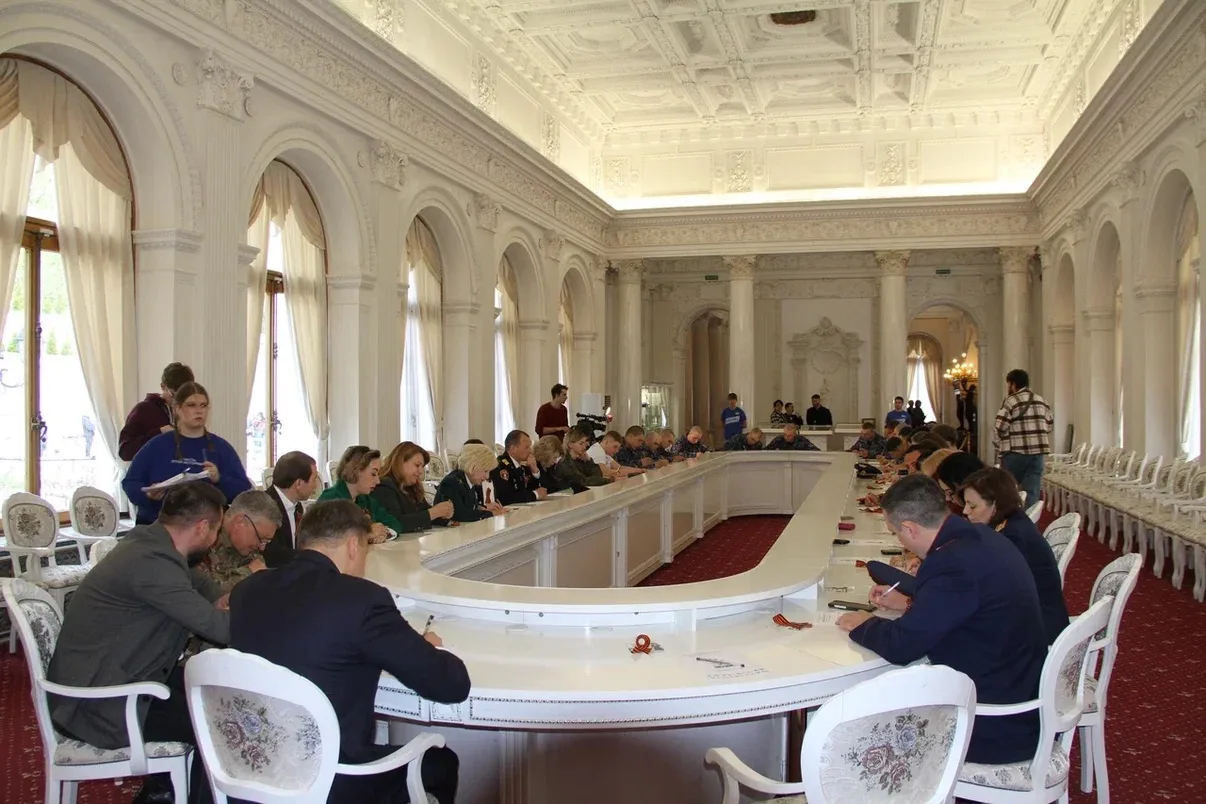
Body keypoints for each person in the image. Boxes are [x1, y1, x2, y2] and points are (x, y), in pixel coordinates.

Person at [229, 500, 470, 804]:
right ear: (354, 545)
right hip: (332, 781)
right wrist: (426, 647)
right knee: (441, 762)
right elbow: (451, 685)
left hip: (249, 772)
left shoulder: (247, 591)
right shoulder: (362, 600)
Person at [837, 474, 1047, 765]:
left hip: (992, 722)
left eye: (896, 533)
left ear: (909, 528)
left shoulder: (950, 563)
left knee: (861, 728)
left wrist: (864, 624)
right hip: (1018, 691)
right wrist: (910, 604)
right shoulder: (982, 536)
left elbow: (901, 646)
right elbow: (963, 607)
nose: (899, 540)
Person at [47, 483, 229, 804]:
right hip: (100, 705)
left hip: (118, 678)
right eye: (217, 531)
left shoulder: (152, 545)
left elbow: (207, 589)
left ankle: (163, 790)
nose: (216, 539)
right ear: (203, 528)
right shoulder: (153, 563)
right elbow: (216, 627)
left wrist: (239, 596)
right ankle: (169, 793)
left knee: (213, 694)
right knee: (218, 726)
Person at [960, 468, 1069, 646]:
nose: (965, 511)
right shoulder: (1011, 521)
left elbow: (990, 589)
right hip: (1028, 617)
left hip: (1036, 631)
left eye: (972, 506)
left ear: (995, 505)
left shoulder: (1014, 536)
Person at [122, 381, 252, 525]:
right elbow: (130, 483)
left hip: (204, 529)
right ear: (177, 409)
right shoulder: (156, 445)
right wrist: (147, 495)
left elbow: (243, 490)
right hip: (157, 525)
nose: (199, 411)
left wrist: (219, 478)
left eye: (203, 405)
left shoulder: (221, 448)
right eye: (191, 405)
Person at [195, 489, 282, 593]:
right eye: (261, 538)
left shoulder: (248, 548)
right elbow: (205, 593)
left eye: (266, 541)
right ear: (240, 521)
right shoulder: (202, 542)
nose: (262, 547)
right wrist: (248, 572)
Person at [994, 369, 1053, 507]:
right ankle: (1029, 517)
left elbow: (1000, 426)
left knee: (1009, 488)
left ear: (1013, 384)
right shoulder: (1041, 400)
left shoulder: (1011, 401)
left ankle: (1010, 516)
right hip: (1037, 452)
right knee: (1032, 490)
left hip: (1015, 452)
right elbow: (1049, 425)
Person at [318, 446, 402, 540]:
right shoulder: (330, 499)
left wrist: (383, 534)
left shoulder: (367, 500)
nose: (378, 481)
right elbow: (328, 536)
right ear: (356, 470)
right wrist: (367, 533)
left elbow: (395, 523)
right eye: (373, 474)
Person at [118, 362, 195, 461]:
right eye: (174, 395)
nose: (179, 401)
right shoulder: (143, 410)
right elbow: (125, 451)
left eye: (184, 396)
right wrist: (159, 433)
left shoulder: (188, 410)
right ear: (163, 387)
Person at [372, 442, 456, 531]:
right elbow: (394, 523)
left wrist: (443, 514)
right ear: (400, 462)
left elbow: (425, 513)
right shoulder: (384, 485)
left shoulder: (413, 487)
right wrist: (433, 513)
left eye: (422, 467)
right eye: (417, 465)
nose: (421, 471)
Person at [262, 450, 321, 568]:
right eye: (314, 479)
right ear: (298, 483)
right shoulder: (265, 507)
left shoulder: (297, 506)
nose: (315, 486)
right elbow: (272, 555)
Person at [434, 443, 506, 521]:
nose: (487, 477)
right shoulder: (452, 483)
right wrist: (492, 514)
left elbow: (470, 507)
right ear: (473, 466)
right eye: (485, 471)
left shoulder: (468, 480)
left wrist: (483, 508)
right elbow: (460, 515)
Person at [489, 430, 549, 505]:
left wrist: (534, 470)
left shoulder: (522, 466)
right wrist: (535, 495)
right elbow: (507, 497)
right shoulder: (501, 466)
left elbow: (538, 489)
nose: (530, 451)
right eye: (526, 447)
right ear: (513, 448)